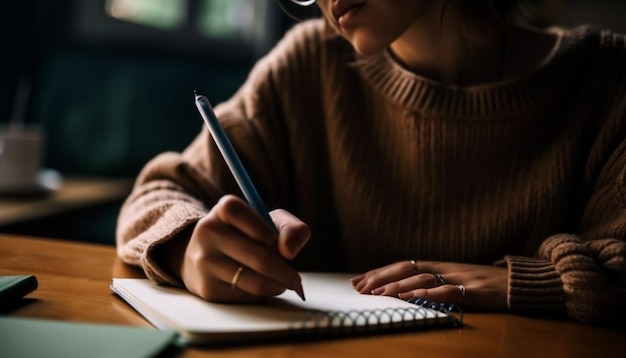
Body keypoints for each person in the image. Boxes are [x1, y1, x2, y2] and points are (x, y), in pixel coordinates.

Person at [116, 0, 626, 325]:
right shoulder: (308, 66)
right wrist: (188, 245)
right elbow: (157, 193)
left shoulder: (607, 81)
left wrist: (524, 283)